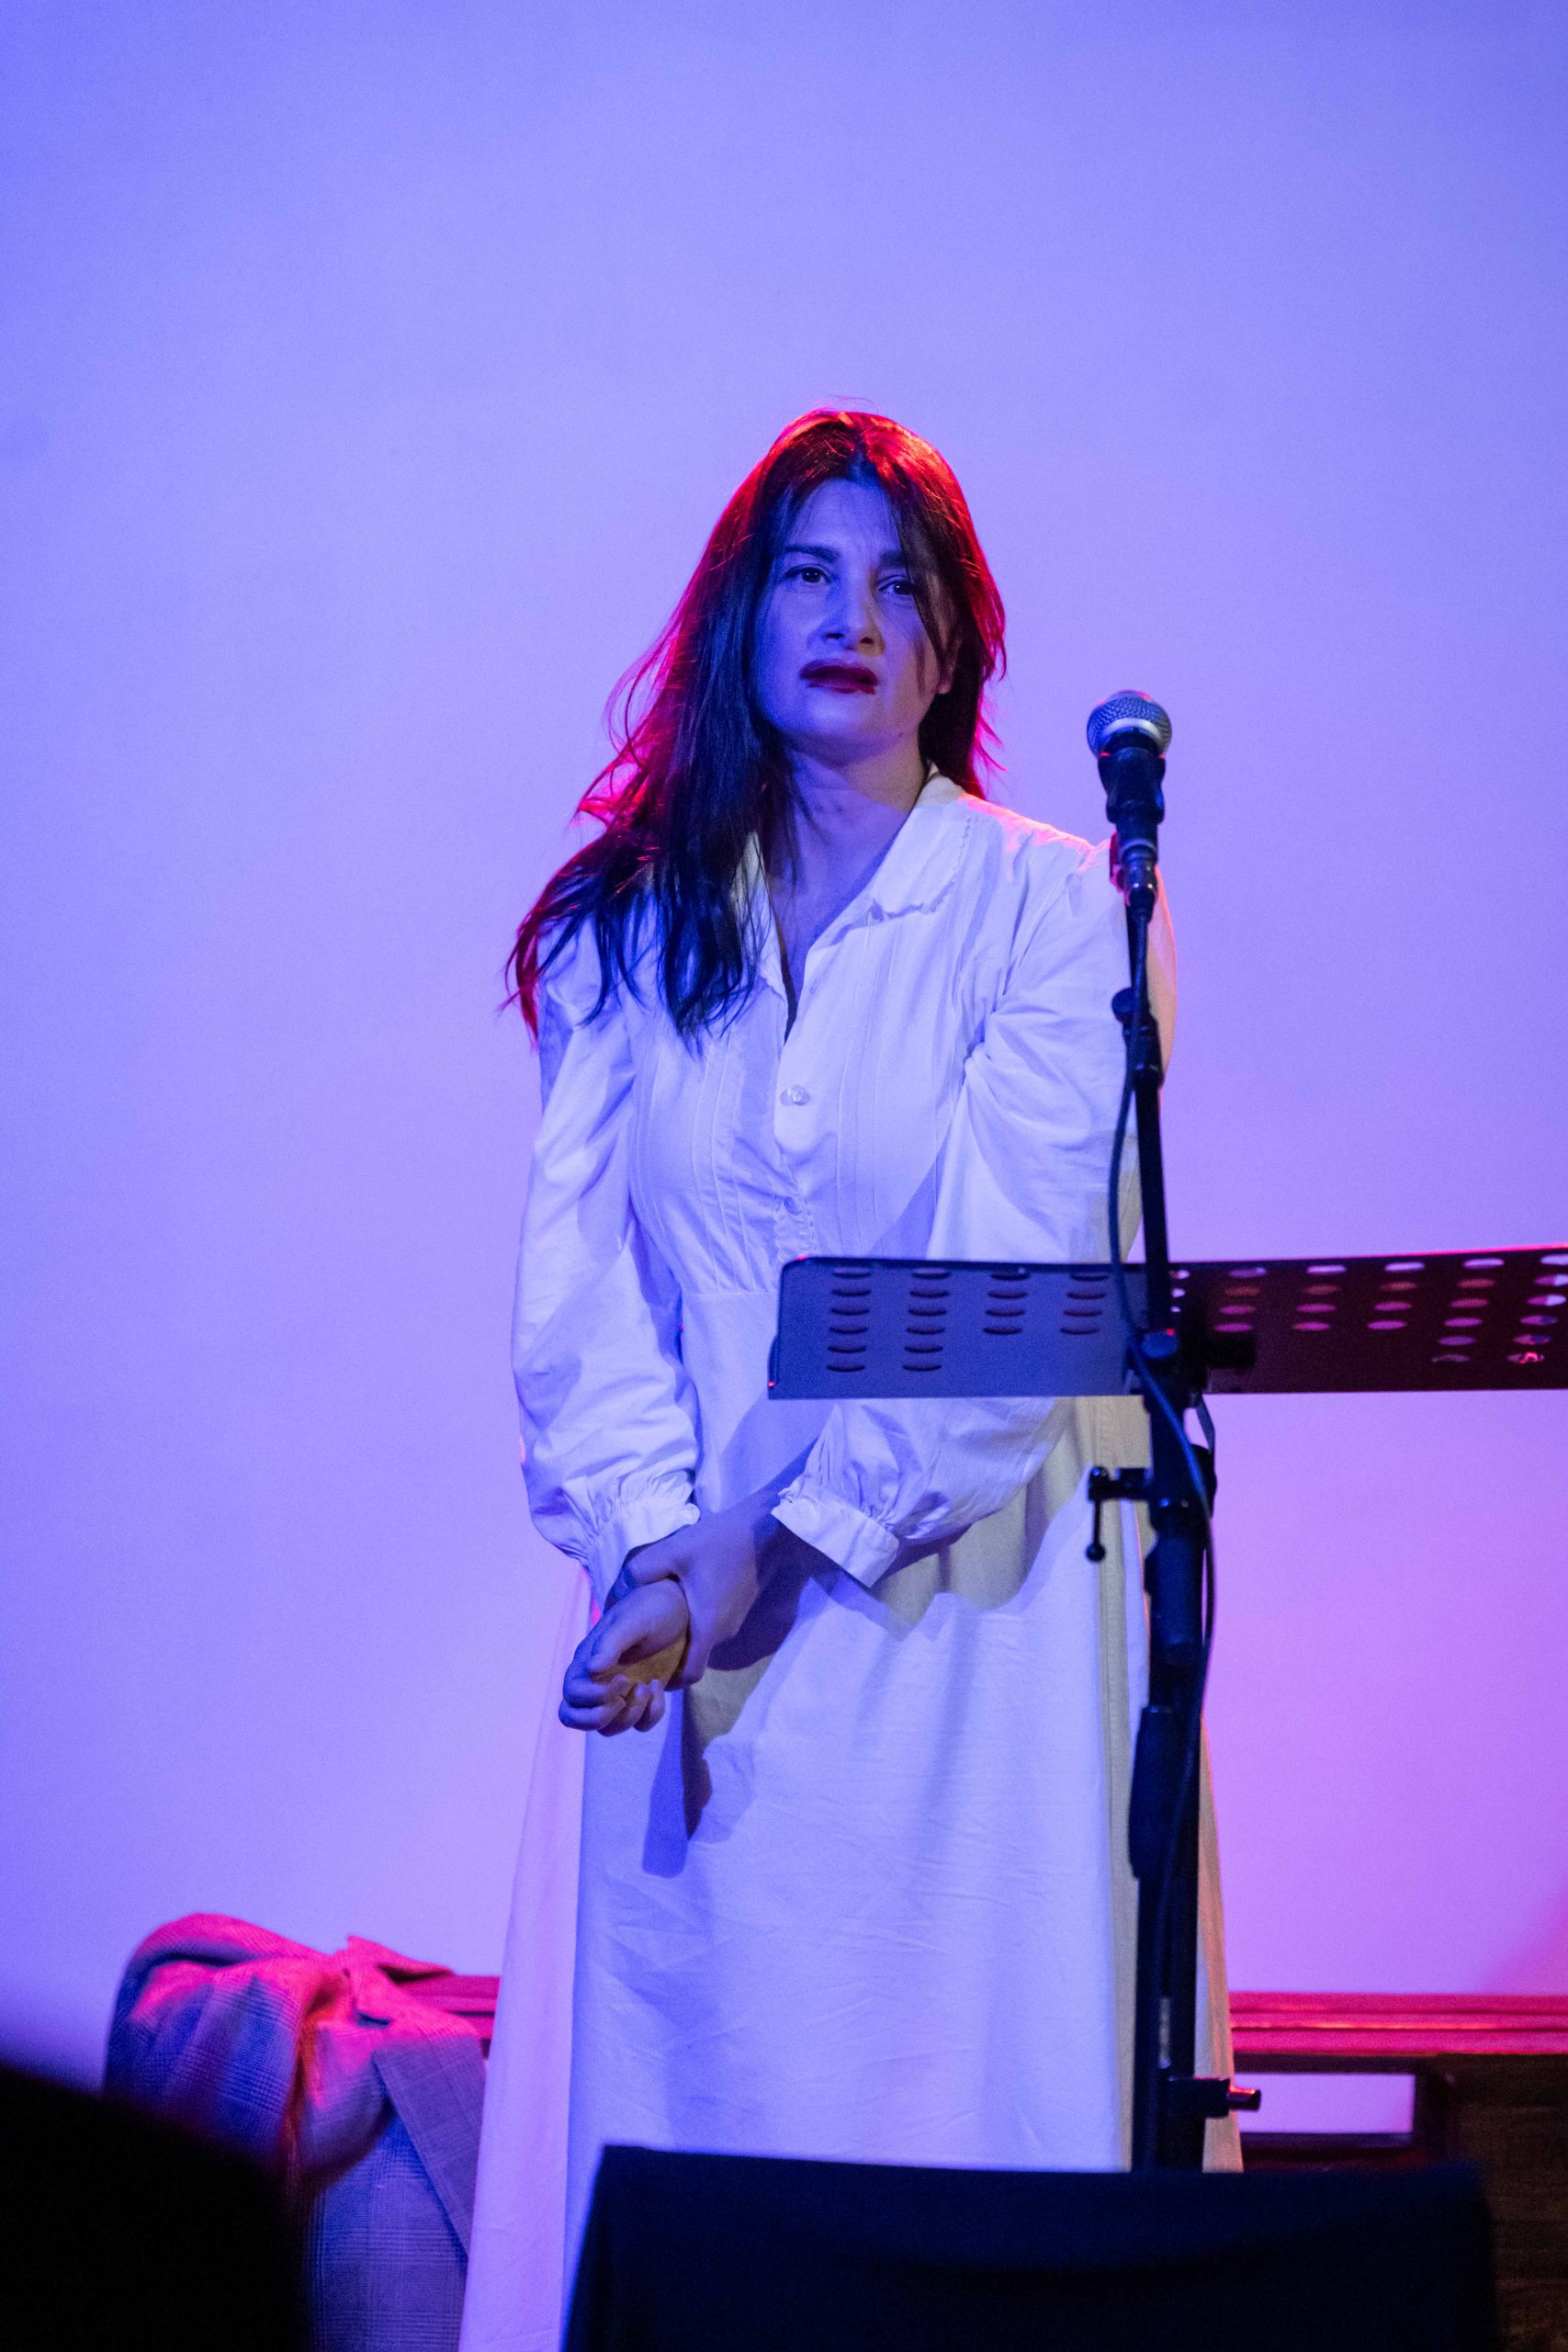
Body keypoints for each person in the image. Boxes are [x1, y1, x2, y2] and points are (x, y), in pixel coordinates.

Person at [459, 411, 1235, 2352]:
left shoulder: (1059, 907)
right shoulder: (632, 921)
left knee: (958, 2134)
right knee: (700, 2137)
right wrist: (653, 1552)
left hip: (971, 1627)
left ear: (951, 644)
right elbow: (582, 1290)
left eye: (899, 585)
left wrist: (773, 1537)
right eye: (809, 573)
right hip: (684, 1635)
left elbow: (1010, 1281)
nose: (852, 618)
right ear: (741, 616)